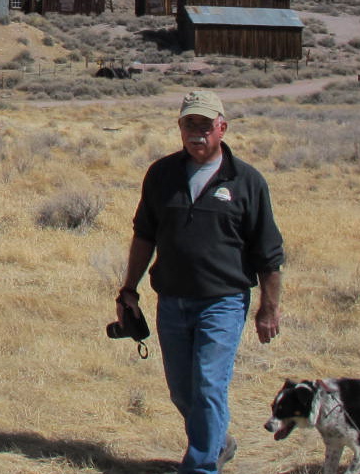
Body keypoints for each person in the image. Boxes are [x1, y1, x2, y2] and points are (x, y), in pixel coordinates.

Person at [115, 89, 283, 474]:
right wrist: (128, 290)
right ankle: (218, 442)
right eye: (189, 123)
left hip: (223, 302)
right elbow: (144, 235)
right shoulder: (162, 175)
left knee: (208, 386)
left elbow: (268, 253)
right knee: (182, 391)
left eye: (205, 125)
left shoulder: (246, 181)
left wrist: (268, 309)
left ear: (222, 128)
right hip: (172, 301)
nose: (197, 132)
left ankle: (201, 467)